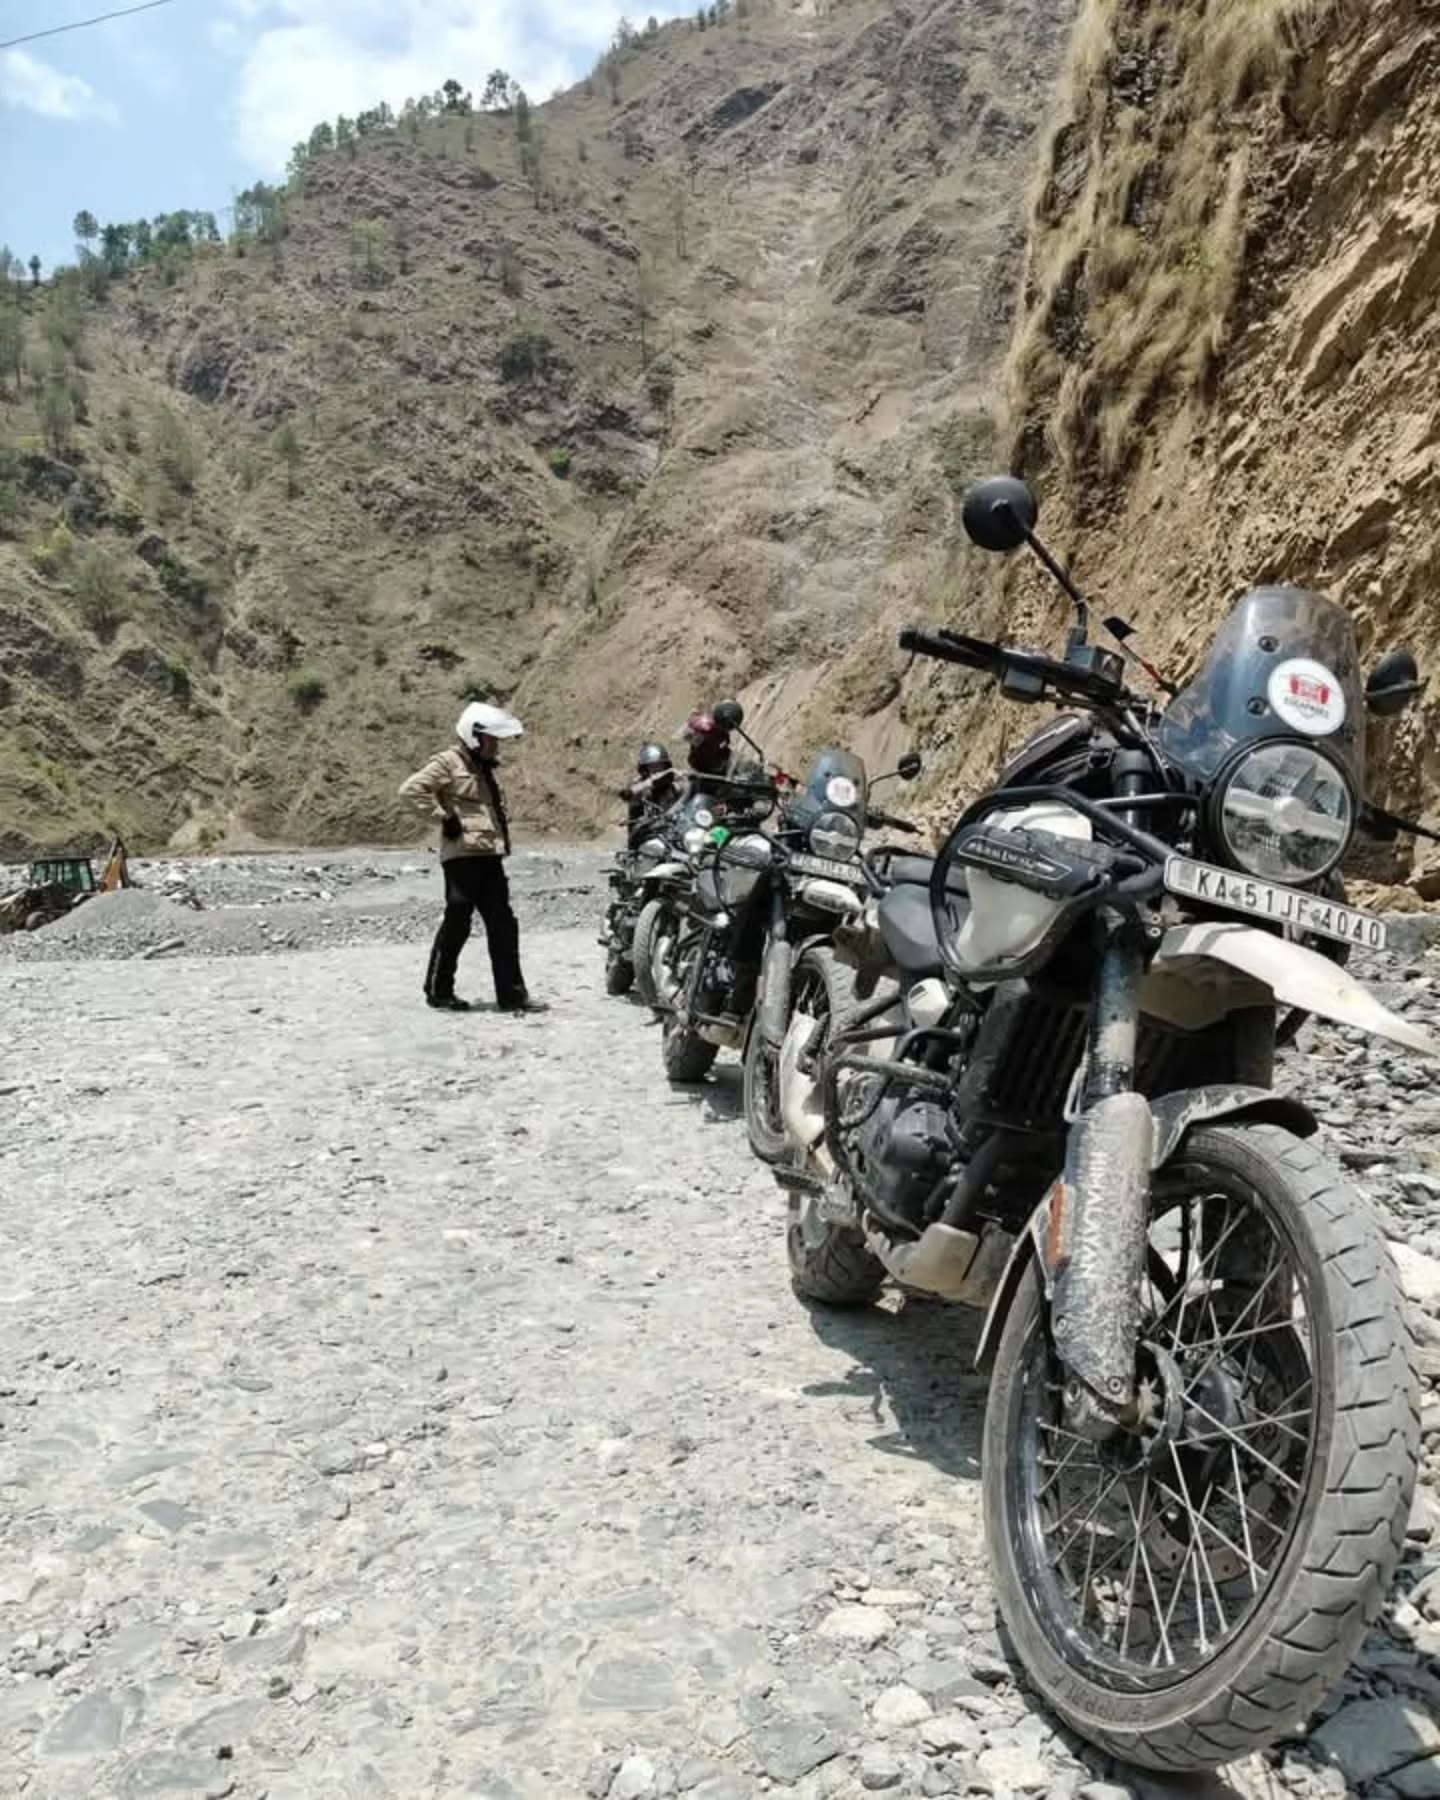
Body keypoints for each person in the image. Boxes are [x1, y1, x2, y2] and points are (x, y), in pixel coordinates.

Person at [399, 702, 543, 1013]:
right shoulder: (448, 762)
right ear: (474, 736)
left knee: (503, 926)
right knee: (458, 922)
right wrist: (443, 816)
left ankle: (512, 996)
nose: (496, 746)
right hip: (461, 858)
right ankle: (439, 991)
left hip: (490, 856)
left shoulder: (484, 769)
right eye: (492, 740)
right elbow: (411, 791)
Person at [620, 742, 680, 843]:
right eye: (652, 766)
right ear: (645, 768)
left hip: (670, 832)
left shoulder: (674, 785)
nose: (656, 769)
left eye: (659, 765)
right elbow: (626, 795)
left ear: (665, 766)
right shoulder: (639, 784)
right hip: (643, 833)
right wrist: (649, 783)